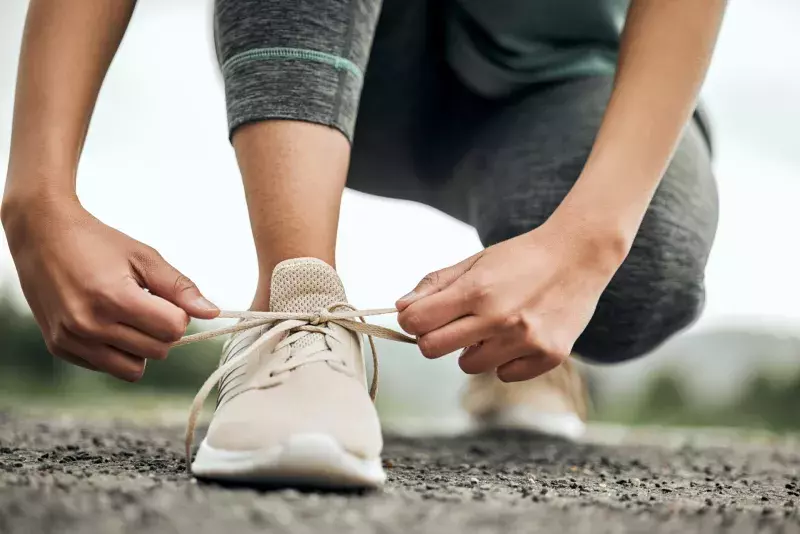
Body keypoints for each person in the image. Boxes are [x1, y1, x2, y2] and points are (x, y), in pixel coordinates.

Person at [1, 0, 724, 487]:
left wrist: (585, 242)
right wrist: (38, 197)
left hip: (563, 73)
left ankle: (518, 358)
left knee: (646, 265)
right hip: (338, 58)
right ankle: (295, 306)